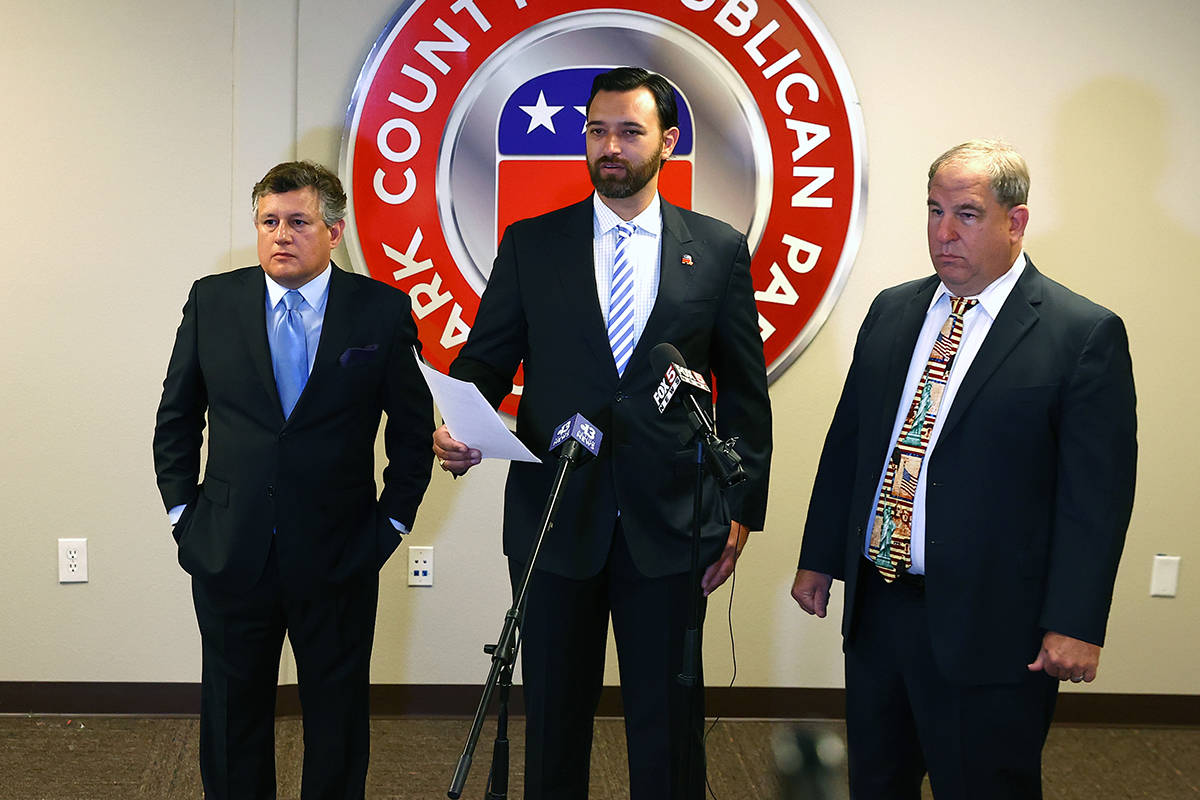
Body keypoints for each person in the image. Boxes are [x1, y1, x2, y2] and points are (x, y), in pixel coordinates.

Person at [434, 67, 772, 798]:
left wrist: (743, 512)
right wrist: (459, 423)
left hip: (673, 523)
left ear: (667, 141)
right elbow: (486, 358)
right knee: (555, 716)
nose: (609, 146)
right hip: (556, 516)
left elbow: (743, 394)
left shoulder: (715, 249)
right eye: (596, 130)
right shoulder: (532, 243)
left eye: (628, 131)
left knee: (668, 720)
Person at [791, 140, 1137, 799]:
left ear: (1017, 221)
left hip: (995, 628)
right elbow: (854, 444)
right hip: (881, 610)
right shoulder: (893, 310)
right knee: (876, 782)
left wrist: (1077, 620)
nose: (944, 233)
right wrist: (820, 557)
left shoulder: (1080, 333)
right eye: (933, 211)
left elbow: (1096, 497)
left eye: (968, 215)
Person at [153, 161, 434, 799]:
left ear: (333, 231)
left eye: (298, 222)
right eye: (269, 222)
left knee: (336, 723)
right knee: (231, 718)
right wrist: (183, 520)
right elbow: (175, 422)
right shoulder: (212, 301)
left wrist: (390, 524)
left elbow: (413, 433)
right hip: (228, 548)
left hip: (339, 554)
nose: (281, 234)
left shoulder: (382, 311)